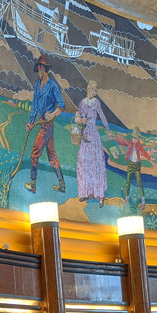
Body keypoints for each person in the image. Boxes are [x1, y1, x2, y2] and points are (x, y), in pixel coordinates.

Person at [24, 56, 66, 193]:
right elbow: (35, 105)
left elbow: (61, 106)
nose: (38, 72)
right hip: (41, 122)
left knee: (34, 152)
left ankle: (33, 185)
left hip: (47, 125)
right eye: (37, 69)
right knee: (52, 154)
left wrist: (52, 114)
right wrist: (30, 123)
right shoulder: (38, 84)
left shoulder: (53, 86)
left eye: (39, 69)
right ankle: (62, 184)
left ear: (43, 69)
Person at [74, 80, 111, 205]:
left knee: (96, 163)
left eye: (96, 90)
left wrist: (108, 130)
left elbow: (102, 116)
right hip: (85, 134)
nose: (95, 92)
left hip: (93, 135)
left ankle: (99, 193)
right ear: (89, 88)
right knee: (83, 162)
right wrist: (79, 120)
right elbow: (77, 116)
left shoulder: (96, 103)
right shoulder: (82, 103)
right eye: (94, 89)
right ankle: (85, 192)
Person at [121, 126, 151, 208]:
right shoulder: (130, 143)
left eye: (137, 138)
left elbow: (143, 152)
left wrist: (149, 158)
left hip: (137, 165)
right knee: (128, 182)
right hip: (130, 164)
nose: (135, 140)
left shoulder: (139, 145)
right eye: (134, 138)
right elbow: (123, 143)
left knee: (139, 182)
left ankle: (143, 200)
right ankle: (126, 199)